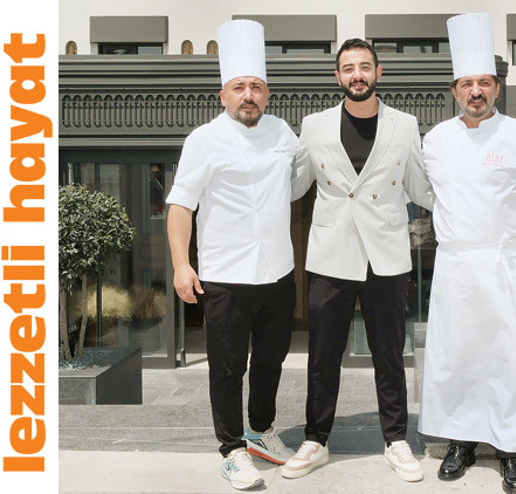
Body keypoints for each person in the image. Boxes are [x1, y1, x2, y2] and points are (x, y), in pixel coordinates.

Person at [418, 13, 516, 494]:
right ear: (455, 90)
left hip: (507, 263)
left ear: (496, 88)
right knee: (457, 356)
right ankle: (460, 442)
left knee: (511, 356)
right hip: (456, 264)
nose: (475, 91)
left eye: (484, 82)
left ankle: (511, 449)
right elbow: (426, 194)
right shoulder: (436, 140)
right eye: (467, 84)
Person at [281, 38, 433, 482]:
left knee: (390, 353)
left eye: (365, 66)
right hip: (331, 255)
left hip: (386, 253)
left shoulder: (405, 125)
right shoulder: (314, 126)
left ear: (378, 73)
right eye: (348, 68)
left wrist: (471, 205)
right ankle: (316, 439)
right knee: (322, 355)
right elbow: (293, 186)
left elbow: (421, 187)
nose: (357, 75)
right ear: (338, 77)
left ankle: (396, 439)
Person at [165, 19, 296, 490]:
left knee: (270, 361)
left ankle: (260, 432)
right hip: (224, 276)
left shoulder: (283, 132)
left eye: (256, 87)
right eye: (239, 87)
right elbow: (181, 205)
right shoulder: (203, 139)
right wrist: (182, 264)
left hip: (278, 273)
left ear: (267, 94)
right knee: (227, 368)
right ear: (223, 95)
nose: (248, 95)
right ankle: (231, 449)